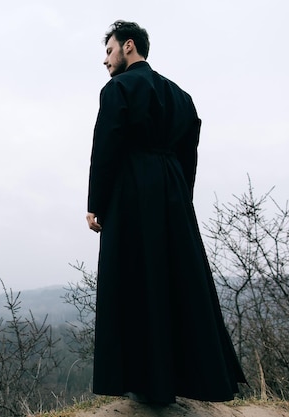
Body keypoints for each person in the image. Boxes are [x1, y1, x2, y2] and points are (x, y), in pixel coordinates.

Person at [86, 20, 246, 405]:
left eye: (108, 51)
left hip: (131, 193)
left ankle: (145, 383)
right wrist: (179, 199)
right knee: (176, 282)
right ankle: (181, 380)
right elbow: (189, 155)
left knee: (135, 278)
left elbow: (106, 147)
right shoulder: (181, 96)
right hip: (173, 194)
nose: (105, 61)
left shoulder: (118, 89)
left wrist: (95, 204)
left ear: (128, 47)